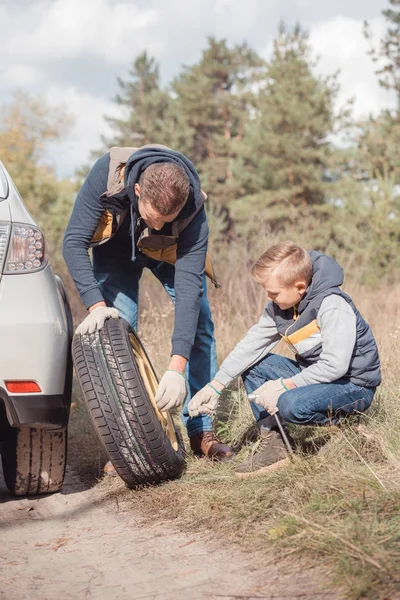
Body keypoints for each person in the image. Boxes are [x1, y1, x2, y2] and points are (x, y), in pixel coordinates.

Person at [63, 144, 233, 461]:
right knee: (118, 337)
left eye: (165, 219)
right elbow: (73, 242)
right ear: (137, 190)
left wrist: (175, 366)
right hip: (115, 253)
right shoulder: (107, 174)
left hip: (167, 253)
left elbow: (189, 288)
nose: (156, 224)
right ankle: (133, 438)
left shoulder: (193, 206)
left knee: (200, 325)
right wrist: (95, 304)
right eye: (152, 217)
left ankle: (201, 431)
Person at [188, 241, 381, 478]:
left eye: (274, 292)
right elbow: (251, 346)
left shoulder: (332, 305)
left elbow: (335, 366)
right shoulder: (279, 308)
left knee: (290, 404)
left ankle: (347, 426)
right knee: (254, 365)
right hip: (318, 379)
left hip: (352, 386)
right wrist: (216, 386)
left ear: (299, 286)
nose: (269, 297)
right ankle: (276, 446)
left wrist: (283, 386)